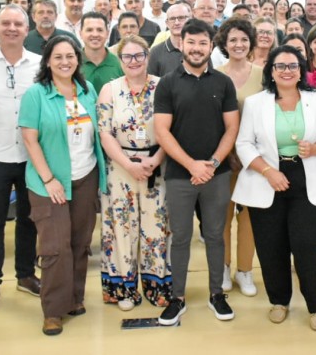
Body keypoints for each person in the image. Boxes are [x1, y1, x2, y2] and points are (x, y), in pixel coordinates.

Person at [233, 44, 316, 331]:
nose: (287, 71)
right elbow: (243, 143)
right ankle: (279, 301)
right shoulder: (256, 103)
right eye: (280, 66)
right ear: (271, 71)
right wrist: (268, 171)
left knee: (306, 246)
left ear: (302, 70)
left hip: (307, 176)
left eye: (293, 66)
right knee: (271, 247)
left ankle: (315, 306)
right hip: (267, 178)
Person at [19, 35, 107, 336]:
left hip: (85, 176)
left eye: (70, 56)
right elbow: (29, 139)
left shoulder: (86, 90)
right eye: (58, 57)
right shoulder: (36, 94)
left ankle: (74, 299)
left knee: (80, 243)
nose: (65, 62)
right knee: (55, 247)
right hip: (49, 183)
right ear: (47, 61)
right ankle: (53, 310)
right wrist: (49, 178)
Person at [154, 19, 240, 326]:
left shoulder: (223, 83)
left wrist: (213, 164)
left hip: (216, 176)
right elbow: (162, 131)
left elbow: (232, 128)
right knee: (180, 237)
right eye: (191, 42)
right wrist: (192, 165)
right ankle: (177, 298)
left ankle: (217, 294)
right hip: (180, 174)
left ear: (211, 46)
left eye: (203, 43)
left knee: (215, 235)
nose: (197, 48)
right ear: (181, 44)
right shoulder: (167, 83)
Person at [0, 5, 42, 312]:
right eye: (6, 23)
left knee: (29, 220)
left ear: (27, 30)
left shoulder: (41, 66)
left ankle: (26, 275)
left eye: (18, 23)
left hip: (31, 156)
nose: (12, 28)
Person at [97, 35, 171, 311]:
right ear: (120, 59)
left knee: (157, 227)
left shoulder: (162, 86)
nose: (134, 61)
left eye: (139, 55)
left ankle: (157, 286)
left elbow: (171, 129)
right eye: (127, 56)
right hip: (120, 167)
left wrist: (156, 159)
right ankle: (124, 289)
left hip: (157, 165)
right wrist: (129, 164)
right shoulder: (109, 89)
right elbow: (104, 132)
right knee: (122, 227)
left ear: (147, 56)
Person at [216, 18, 263, 296]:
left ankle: (245, 270)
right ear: (224, 43)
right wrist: (226, 153)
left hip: (253, 160)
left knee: (249, 218)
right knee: (221, 217)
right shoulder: (215, 73)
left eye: (244, 39)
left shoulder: (262, 74)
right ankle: (222, 267)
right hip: (222, 158)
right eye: (233, 39)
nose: (238, 44)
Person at [80, 12, 123, 92]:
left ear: (107, 33)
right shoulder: (72, 64)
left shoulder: (120, 64)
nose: (95, 34)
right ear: (80, 33)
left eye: (100, 30)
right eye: (89, 30)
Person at [148, 3, 191, 77]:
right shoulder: (155, 52)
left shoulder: (199, 49)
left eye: (181, 18)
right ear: (167, 23)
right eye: (172, 19)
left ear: (189, 20)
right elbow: (151, 83)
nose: (177, 22)